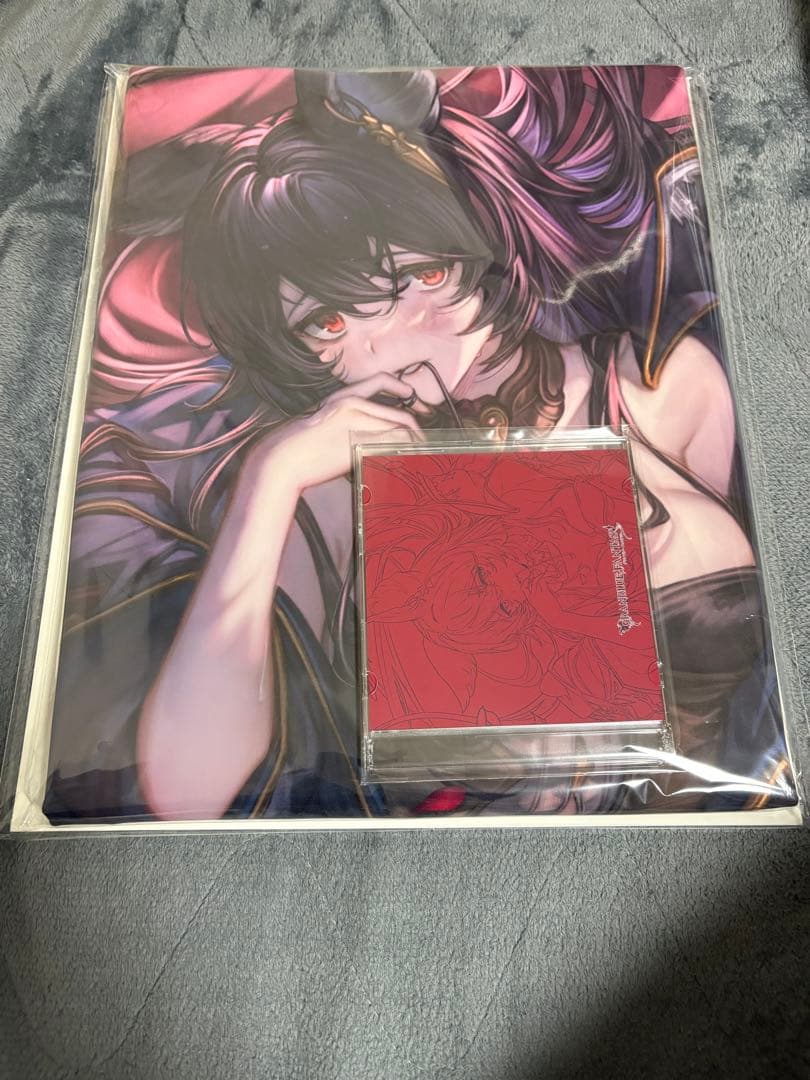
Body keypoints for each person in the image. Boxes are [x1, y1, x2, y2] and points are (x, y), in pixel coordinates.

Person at [45, 66, 791, 823]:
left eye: (421, 277)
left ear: (469, 252)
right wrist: (267, 483)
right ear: (293, 349)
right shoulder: (324, 498)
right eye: (329, 322)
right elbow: (186, 792)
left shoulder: (657, 388)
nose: (394, 343)